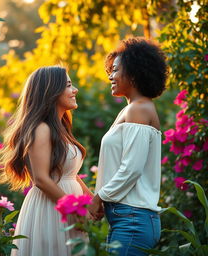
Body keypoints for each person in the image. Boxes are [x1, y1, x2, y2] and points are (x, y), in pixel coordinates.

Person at [0, 66, 93, 256]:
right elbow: (41, 179)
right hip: (52, 209)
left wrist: (91, 200)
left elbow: (67, 173)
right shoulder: (41, 129)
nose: (75, 90)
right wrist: (74, 211)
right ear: (51, 91)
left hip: (67, 205)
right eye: (69, 85)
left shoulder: (60, 128)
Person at [88, 37, 168, 255]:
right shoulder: (132, 109)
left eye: (115, 70)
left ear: (133, 73)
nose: (110, 76)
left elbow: (131, 168)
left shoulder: (139, 109)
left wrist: (99, 197)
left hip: (133, 219)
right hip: (127, 218)